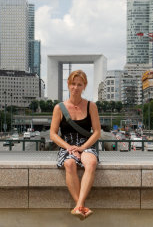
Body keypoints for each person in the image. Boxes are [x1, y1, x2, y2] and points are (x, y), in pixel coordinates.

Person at [50, 70, 101, 220]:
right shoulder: (59, 108)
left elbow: (97, 132)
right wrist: (69, 147)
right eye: (73, 84)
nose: (75, 87)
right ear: (68, 84)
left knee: (91, 163)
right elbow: (52, 134)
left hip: (86, 144)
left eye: (79, 84)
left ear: (84, 86)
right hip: (67, 144)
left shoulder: (91, 106)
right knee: (70, 163)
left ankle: (78, 206)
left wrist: (83, 147)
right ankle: (81, 206)